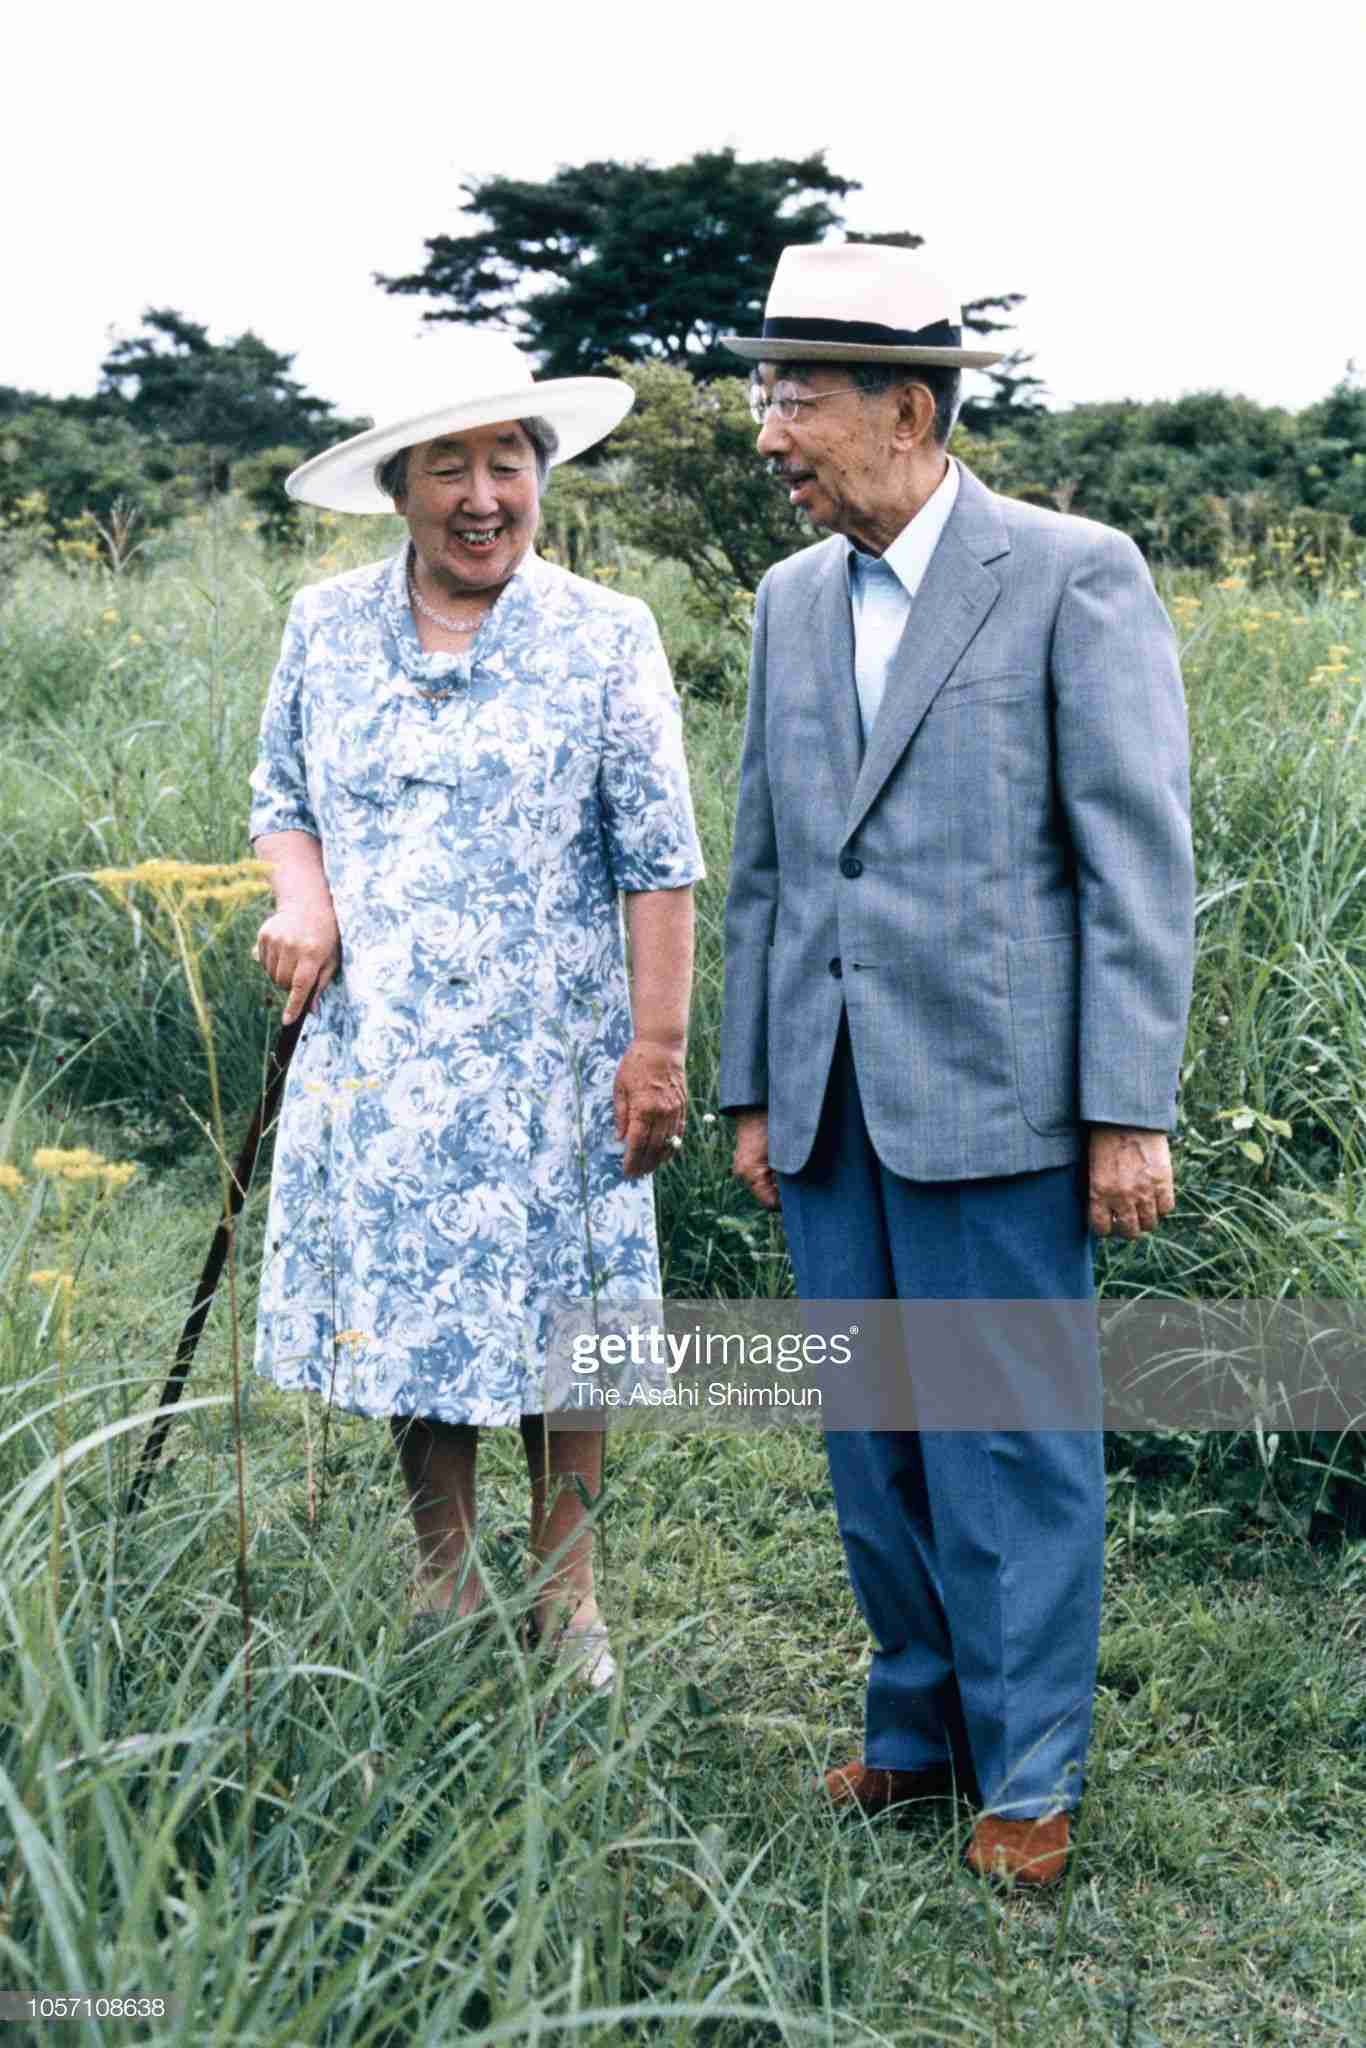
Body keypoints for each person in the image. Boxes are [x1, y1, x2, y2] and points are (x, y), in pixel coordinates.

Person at [718, 244, 1194, 1882]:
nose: (767, 432)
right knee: (872, 1433)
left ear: (906, 407)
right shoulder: (788, 601)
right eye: (763, 391)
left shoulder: (1070, 572)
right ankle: (915, 1729)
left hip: (1004, 1095)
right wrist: (755, 1085)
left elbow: (1133, 856)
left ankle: (1029, 1768)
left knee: (1008, 1434)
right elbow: (770, 864)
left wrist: (1127, 1107)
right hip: (832, 1094)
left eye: (797, 398)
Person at [249, 333, 703, 1689]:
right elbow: (284, 798)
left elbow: (658, 857)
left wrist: (657, 1048)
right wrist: (305, 899)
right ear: (398, 488)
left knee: (568, 1318)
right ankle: (439, 1569)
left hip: (558, 1048)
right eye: (448, 465)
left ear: (540, 477)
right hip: (383, 1044)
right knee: (412, 1309)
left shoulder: (603, 633)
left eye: (507, 461)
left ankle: (569, 1590)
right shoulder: (326, 627)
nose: (481, 495)